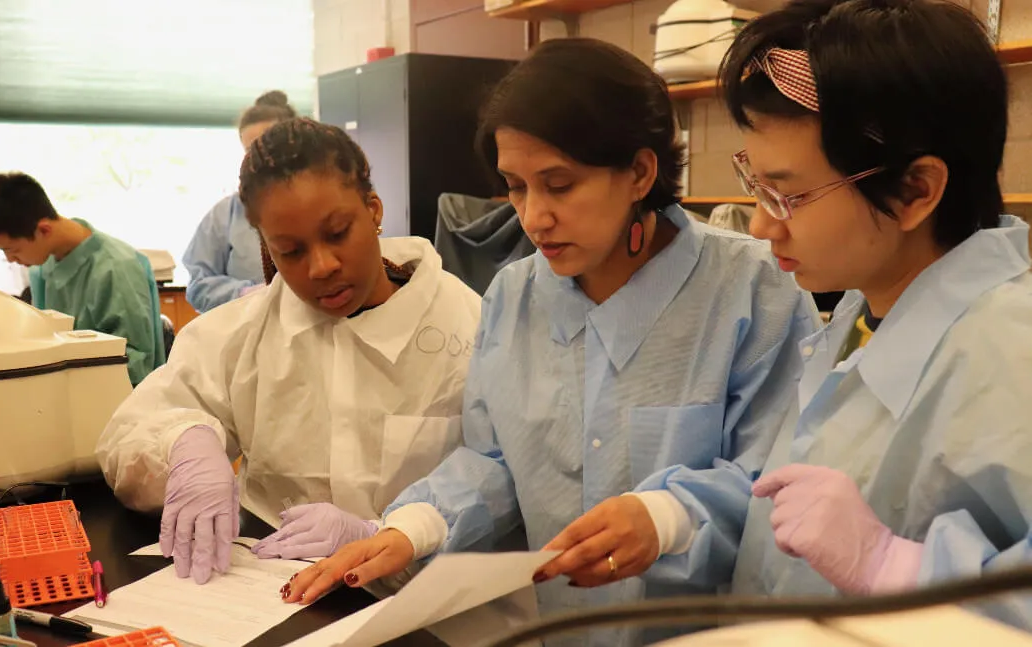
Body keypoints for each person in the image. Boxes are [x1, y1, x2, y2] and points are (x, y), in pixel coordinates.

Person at [281, 38, 818, 646]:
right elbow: (496, 460)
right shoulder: (515, 295)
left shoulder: (755, 290)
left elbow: (781, 482)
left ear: (640, 172)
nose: (534, 217)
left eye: (559, 185)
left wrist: (667, 516)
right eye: (516, 186)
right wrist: (414, 526)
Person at [686, 0, 1030, 629]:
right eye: (755, 186)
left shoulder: (1012, 349)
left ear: (914, 190)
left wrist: (894, 568)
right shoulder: (863, 307)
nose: (761, 226)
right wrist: (671, 519)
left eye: (788, 195)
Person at [96, 118, 483, 586]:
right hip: (272, 589)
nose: (322, 267)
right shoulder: (245, 332)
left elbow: (499, 478)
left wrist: (382, 531)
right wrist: (183, 444)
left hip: (418, 598)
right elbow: (127, 436)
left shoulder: (466, 325)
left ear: (374, 210)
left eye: (338, 233)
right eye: (291, 251)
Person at [0, 172, 166, 386]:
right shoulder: (42, 269)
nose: (10, 260)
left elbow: (137, 365)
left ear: (44, 229)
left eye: (13, 250)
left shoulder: (117, 267)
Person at [182, 90, 297, 313]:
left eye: (265, 148)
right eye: (249, 151)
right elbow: (198, 287)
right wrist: (246, 293)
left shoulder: (319, 204)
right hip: (250, 330)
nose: (258, 159)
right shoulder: (225, 215)